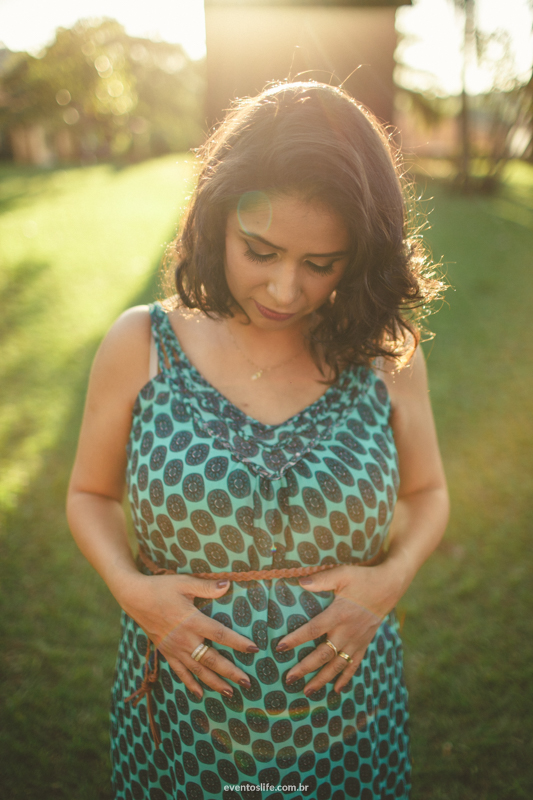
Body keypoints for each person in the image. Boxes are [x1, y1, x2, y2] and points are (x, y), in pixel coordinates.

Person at [67, 81, 449, 800]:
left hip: (348, 718)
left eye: (320, 264)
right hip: (182, 723)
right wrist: (133, 592)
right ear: (216, 221)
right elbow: (90, 493)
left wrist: (388, 583)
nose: (283, 290)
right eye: (260, 251)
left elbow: (427, 493)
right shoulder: (140, 344)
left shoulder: (384, 356)